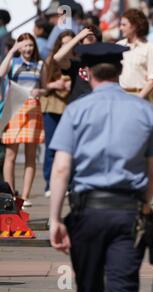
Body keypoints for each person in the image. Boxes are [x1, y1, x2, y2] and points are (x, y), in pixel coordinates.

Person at [49, 42, 153, 292]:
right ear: (120, 70)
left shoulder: (76, 109)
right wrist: (141, 204)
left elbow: (61, 168)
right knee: (122, 291)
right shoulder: (145, 110)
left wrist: (55, 219)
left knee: (88, 291)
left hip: (87, 212)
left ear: (87, 72)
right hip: (128, 213)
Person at [0, 33, 45, 207]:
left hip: (33, 108)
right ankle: (10, 194)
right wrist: (12, 51)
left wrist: (39, 92)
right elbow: (1, 73)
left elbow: (45, 87)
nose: (27, 49)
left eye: (30, 45)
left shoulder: (40, 64)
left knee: (30, 155)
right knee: (10, 154)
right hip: (15, 106)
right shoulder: (13, 62)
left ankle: (25, 196)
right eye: (24, 45)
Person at [40, 30, 75, 198]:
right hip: (52, 108)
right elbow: (42, 85)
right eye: (64, 43)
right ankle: (49, 183)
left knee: (68, 149)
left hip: (69, 109)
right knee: (51, 148)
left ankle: (66, 182)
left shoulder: (76, 62)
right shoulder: (51, 61)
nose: (68, 46)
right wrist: (57, 84)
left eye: (71, 42)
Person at [117, 8, 153, 99]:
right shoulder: (118, 46)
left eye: (124, 25)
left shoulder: (150, 48)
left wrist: (138, 99)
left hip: (139, 97)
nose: (120, 28)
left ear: (135, 26)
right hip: (118, 97)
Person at [53, 25, 102, 104]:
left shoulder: (103, 64)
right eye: (85, 37)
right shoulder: (76, 63)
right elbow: (57, 58)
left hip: (95, 105)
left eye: (91, 37)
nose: (88, 39)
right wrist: (78, 36)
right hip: (77, 106)